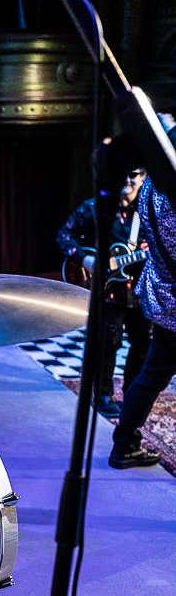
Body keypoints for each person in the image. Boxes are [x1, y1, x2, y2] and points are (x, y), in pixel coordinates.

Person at [109, 113, 176, 469]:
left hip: (164, 297)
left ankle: (124, 445)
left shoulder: (150, 188)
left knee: (151, 376)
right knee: (151, 375)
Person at [57, 169, 152, 418]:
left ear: (143, 179)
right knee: (108, 343)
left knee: (143, 344)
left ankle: (132, 395)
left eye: (134, 175)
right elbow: (64, 235)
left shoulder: (147, 211)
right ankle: (102, 396)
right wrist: (85, 258)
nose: (128, 180)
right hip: (108, 291)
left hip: (140, 290)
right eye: (124, 174)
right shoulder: (96, 207)